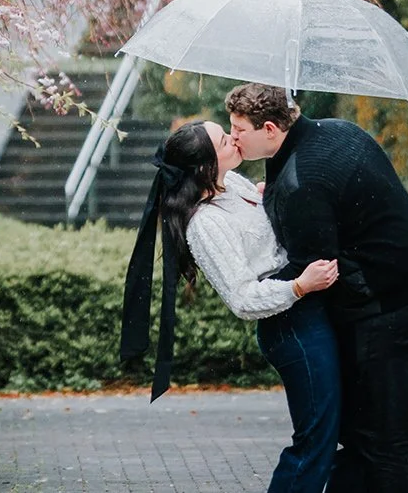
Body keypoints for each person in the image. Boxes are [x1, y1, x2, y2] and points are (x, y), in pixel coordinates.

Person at [227, 84, 408, 493]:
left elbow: (313, 268)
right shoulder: (337, 131)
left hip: (390, 310)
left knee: (379, 441)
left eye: (239, 128)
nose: (234, 137)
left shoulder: (302, 179)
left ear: (269, 129)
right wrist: (277, 198)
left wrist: (256, 291)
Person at [121, 118, 341, 493]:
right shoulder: (205, 224)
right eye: (225, 139)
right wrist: (299, 287)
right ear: (205, 165)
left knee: (332, 433)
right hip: (289, 325)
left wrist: (269, 197)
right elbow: (242, 299)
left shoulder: (232, 185)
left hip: (310, 311)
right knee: (315, 439)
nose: (235, 138)